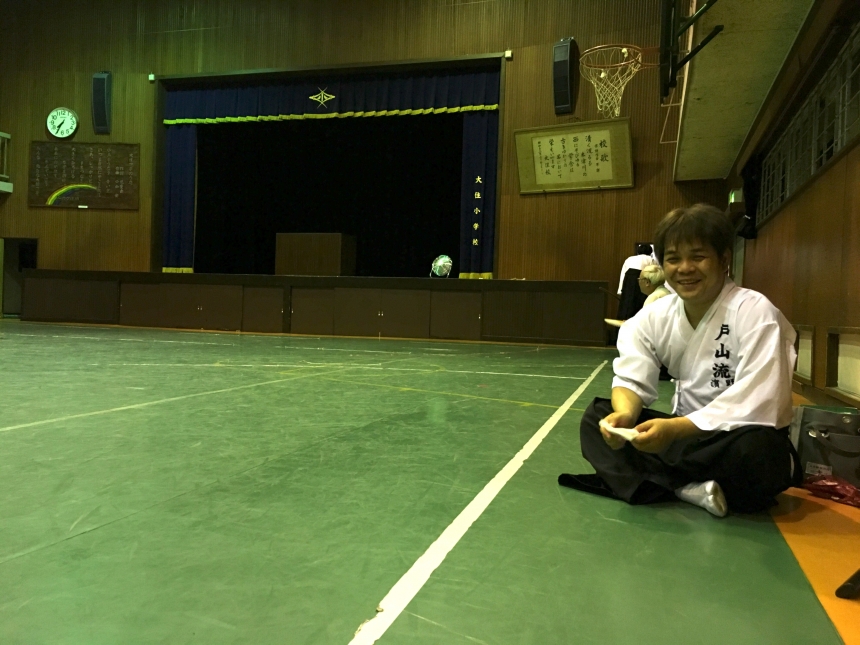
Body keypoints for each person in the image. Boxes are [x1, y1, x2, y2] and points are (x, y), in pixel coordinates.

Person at [560, 204, 801, 517]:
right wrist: (624, 416)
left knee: (761, 453)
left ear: (723, 260)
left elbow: (761, 400)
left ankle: (661, 483)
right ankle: (689, 489)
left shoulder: (755, 312)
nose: (685, 268)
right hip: (681, 439)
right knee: (597, 418)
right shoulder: (656, 316)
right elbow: (631, 377)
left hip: (731, 439)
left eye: (698, 257)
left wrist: (676, 429)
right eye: (673, 258)